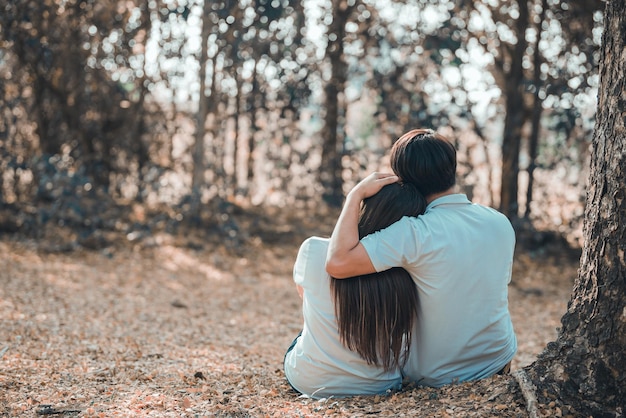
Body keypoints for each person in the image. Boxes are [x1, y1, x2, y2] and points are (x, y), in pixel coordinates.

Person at [326, 128, 517, 387]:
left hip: (438, 375)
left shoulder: (415, 232)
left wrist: (355, 196)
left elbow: (338, 263)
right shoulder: (499, 222)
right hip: (498, 361)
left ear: (403, 179)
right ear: (452, 167)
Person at [283, 182, 426, 398]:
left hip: (311, 381)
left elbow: (305, 296)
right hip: (379, 385)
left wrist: (355, 195)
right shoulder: (412, 268)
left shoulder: (313, 249)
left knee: (308, 326)